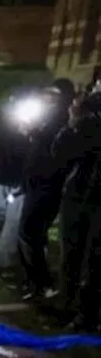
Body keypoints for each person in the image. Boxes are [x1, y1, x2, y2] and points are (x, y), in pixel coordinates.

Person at [17, 80, 77, 300]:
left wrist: (35, 131)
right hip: (36, 182)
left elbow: (57, 150)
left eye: (53, 94)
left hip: (48, 184)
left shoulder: (64, 121)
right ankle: (33, 282)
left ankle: (42, 283)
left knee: (30, 232)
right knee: (30, 234)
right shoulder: (49, 117)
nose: (48, 98)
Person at [55, 92, 101, 327]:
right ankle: (69, 304)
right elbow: (62, 153)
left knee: (92, 259)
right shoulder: (89, 111)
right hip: (79, 194)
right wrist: (74, 123)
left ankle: (85, 312)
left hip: (92, 198)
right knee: (72, 254)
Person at [0, 89, 35, 270]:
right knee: (10, 218)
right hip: (13, 179)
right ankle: (2, 259)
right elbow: (19, 152)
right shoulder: (14, 128)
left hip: (2, 176)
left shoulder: (2, 124)